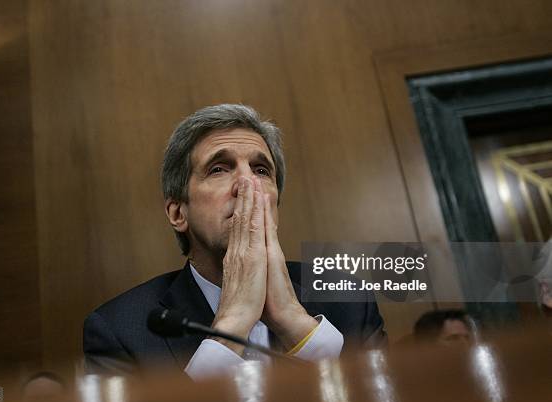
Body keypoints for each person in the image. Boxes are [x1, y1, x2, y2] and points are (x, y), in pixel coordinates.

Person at [83, 104, 386, 379]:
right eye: (218, 169)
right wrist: (230, 325)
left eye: (261, 170)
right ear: (178, 213)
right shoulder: (119, 329)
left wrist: (296, 324)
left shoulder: (349, 300)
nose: (247, 185)